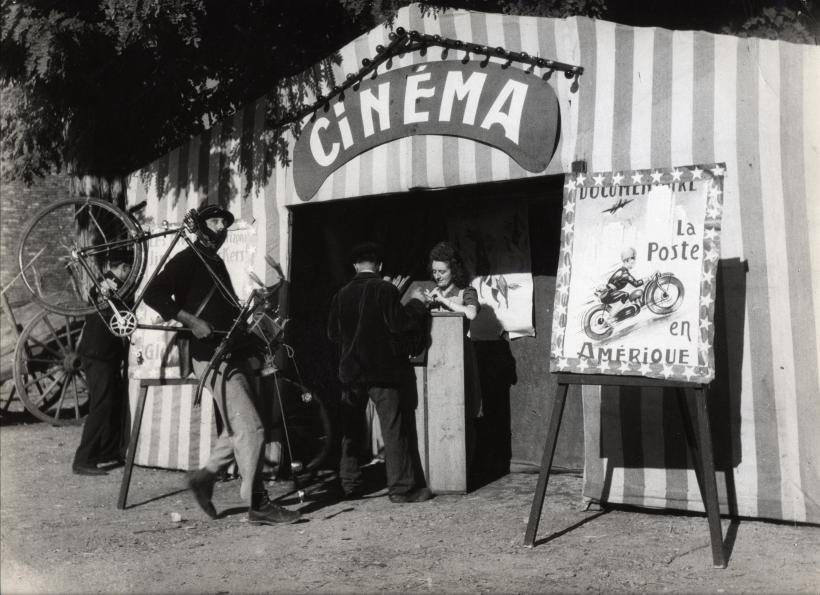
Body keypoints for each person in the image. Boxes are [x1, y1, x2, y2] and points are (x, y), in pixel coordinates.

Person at [144, 203, 300, 525]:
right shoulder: (187, 258)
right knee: (252, 429)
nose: (220, 228)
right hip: (211, 356)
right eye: (213, 221)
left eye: (223, 223)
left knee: (239, 425)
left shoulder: (214, 262)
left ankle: (204, 477)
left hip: (232, 352)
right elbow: (153, 294)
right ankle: (258, 505)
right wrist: (190, 320)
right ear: (200, 227)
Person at [327, 242, 433, 503]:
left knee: (351, 430)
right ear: (380, 266)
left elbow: (332, 334)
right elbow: (401, 325)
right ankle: (401, 489)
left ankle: (350, 485)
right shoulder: (386, 290)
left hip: (351, 374)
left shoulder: (341, 294)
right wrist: (418, 304)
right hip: (382, 372)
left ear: (355, 266)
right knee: (393, 429)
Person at [422, 241, 483, 475]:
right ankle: (441, 468)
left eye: (442, 271)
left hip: (460, 358)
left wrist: (444, 301)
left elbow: (471, 313)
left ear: (453, 270)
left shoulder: (466, 291)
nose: (437, 276)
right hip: (435, 360)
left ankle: (463, 469)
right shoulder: (431, 290)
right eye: (435, 271)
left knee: (463, 411)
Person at [72, 252, 132, 476]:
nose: (130, 276)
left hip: (108, 354)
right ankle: (83, 459)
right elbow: (100, 298)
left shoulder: (114, 285)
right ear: (123, 267)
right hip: (98, 354)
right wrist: (105, 294)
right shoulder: (105, 284)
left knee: (113, 401)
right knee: (101, 404)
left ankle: (106, 452)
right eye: (128, 271)